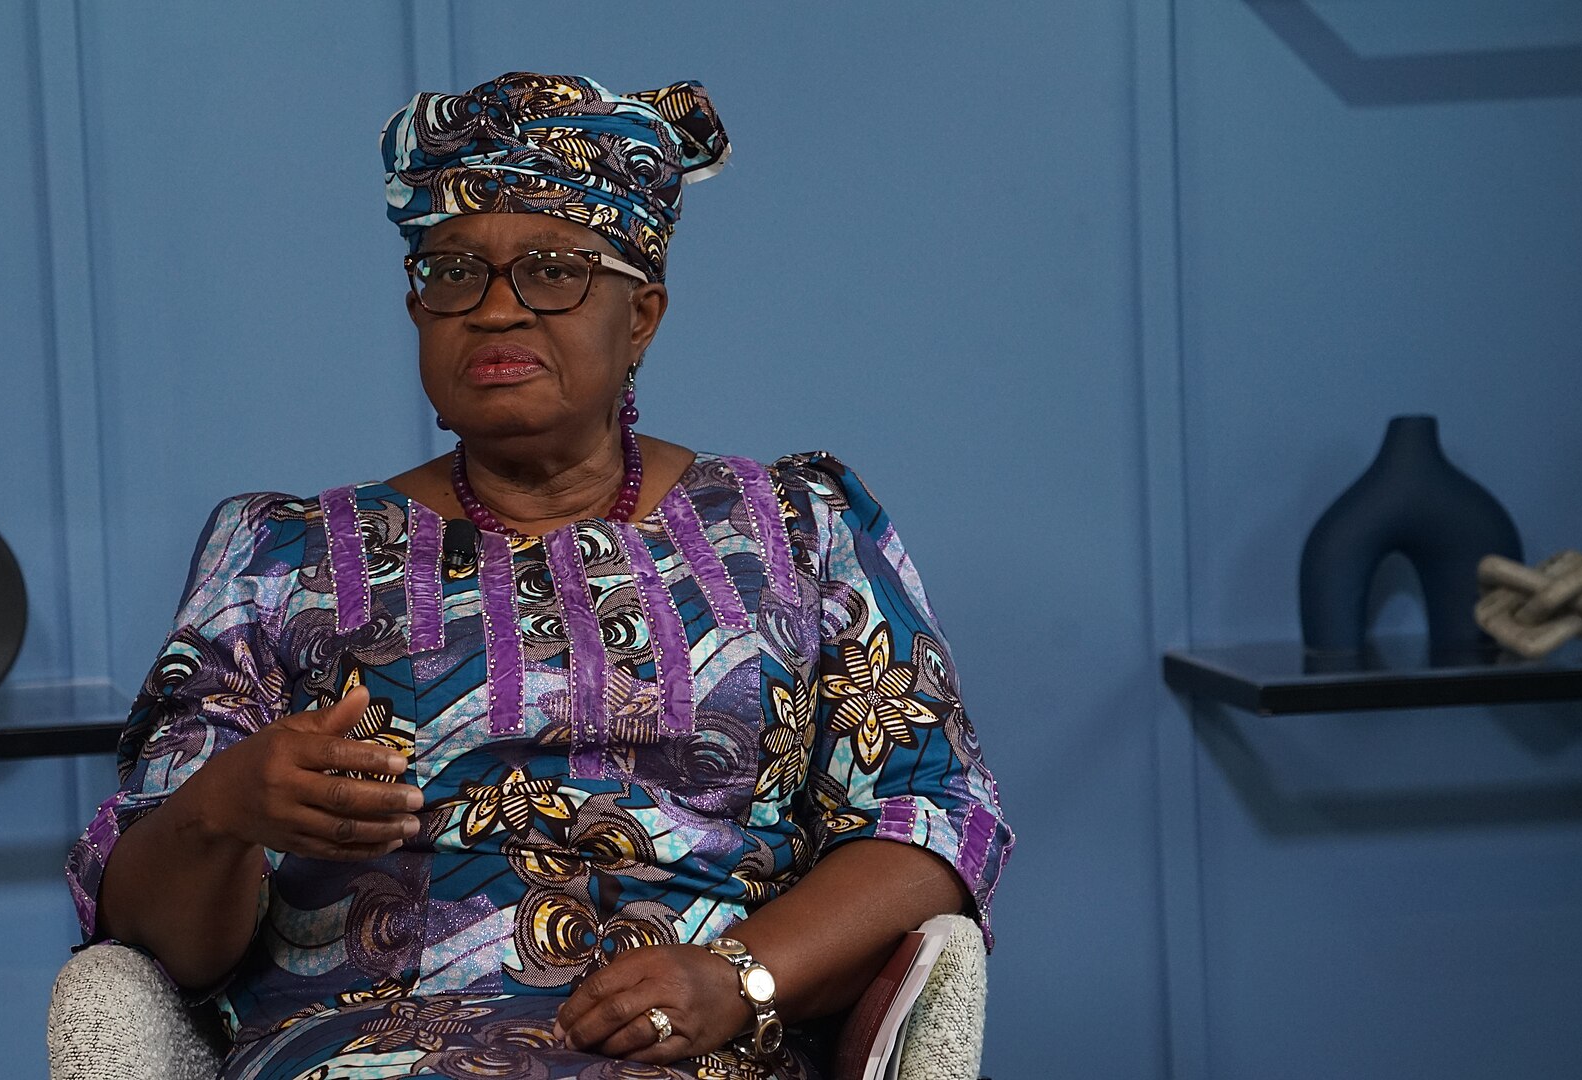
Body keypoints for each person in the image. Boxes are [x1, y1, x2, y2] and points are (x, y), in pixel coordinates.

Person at [66, 71, 1011, 1080]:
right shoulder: (279, 558)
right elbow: (160, 943)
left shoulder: (799, 529)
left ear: (640, 315)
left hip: (688, 1043)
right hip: (363, 1051)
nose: (496, 310)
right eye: (453, 273)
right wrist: (220, 809)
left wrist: (742, 975)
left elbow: (933, 822)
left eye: (554, 269)